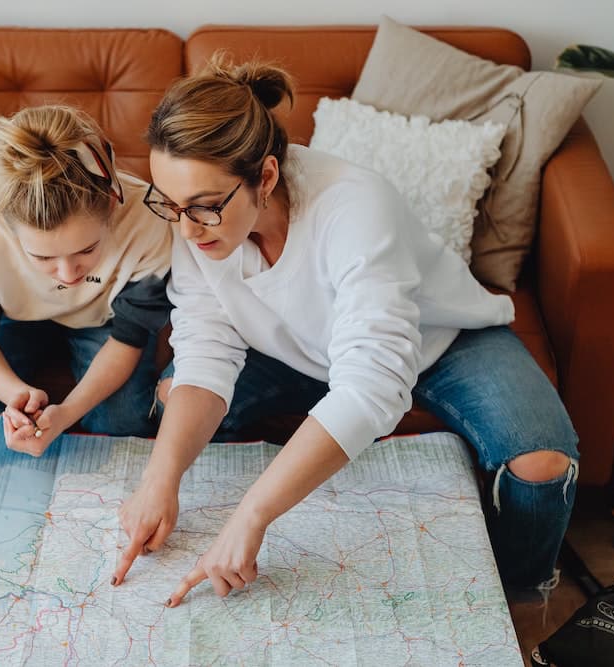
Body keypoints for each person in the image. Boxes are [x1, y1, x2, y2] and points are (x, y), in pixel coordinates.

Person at [110, 56, 580, 605]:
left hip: (443, 343)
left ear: (265, 177)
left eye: (206, 207)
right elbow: (205, 350)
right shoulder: (195, 226)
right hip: (294, 351)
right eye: (170, 204)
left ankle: (513, 601)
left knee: (541, 469)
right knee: (170, 404)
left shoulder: (355, 206)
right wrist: (158, 481)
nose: (187, 229)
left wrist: (252, 516)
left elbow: (371, 384)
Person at [0, 105, 172, 461]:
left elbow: (129, 339)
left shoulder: (149, 218)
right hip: (9, 319)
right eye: (42, 258)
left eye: (87, 249)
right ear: (6, 225)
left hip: (108, 320)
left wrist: (68, 412)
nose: (70, 275)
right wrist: (15, 394)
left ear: (113, 206)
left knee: (124, 422)